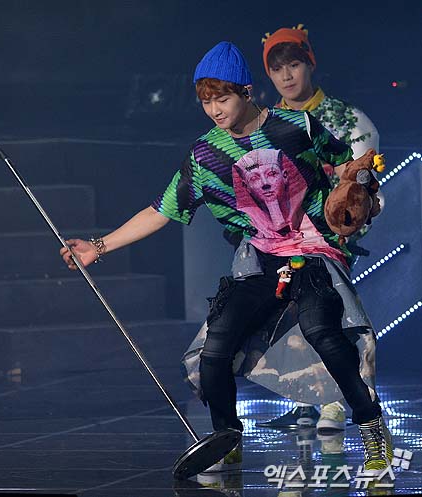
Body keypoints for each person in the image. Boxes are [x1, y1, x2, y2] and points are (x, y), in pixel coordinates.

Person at [60, 41, 392, 476]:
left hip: (313, 250)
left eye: (222, 99)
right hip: (260, 258)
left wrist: (360, 192)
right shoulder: (204, 156)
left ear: (246, 92)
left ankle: (371, 427)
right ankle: (226, 437)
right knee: (215, 351)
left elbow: (348, 166)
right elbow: (160, 211)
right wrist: (98, 246)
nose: (214, 110)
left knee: (322, 332)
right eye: (206, 102)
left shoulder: (298, 127)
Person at [256, 24, 381, 433]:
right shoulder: (263, 123)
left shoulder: (348, 120)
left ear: (310, 64)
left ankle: (335, 403)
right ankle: (304, 402)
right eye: (277, 69)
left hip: (330, 236)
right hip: (279, 238)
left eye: (294, 64)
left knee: (328, 318)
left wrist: (341, 226)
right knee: (289, 319)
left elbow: (364, 189)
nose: (287, 75)